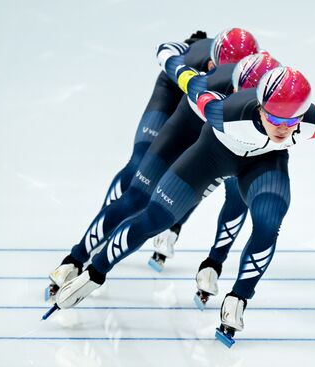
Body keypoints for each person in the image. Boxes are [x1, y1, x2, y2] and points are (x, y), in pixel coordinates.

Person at [50, 60, 315, 346]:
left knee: (269, 221)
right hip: (212, 155)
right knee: (155, 218)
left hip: (264, 164)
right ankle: (95, 271)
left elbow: (297, 124)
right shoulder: (227, 113)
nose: (282, 129)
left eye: (290, 122)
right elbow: (193, 85)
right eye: (274, 119)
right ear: (260, 107)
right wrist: (173, 62)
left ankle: (238, 299)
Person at [46, 29, 261, 298]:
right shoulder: (196, 65)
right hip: (176, 96)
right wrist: (182, 57)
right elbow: (165, 51)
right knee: (139, 178)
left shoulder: (255, 84)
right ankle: (82, 253)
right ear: (209, 66)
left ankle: (178, 233)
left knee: (218, 179)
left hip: (210, 114)